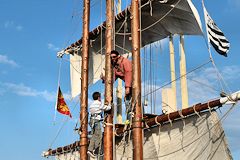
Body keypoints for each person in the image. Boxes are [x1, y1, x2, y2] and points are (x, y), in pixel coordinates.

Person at [101, 50, 133, 122]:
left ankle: (131, 120)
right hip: (128, 84)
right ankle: (129, 120)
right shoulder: (116, 66)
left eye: (114, 57)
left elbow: (129, 73)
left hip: (132, 84)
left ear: (118, 56)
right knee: (128, 102)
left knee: (130, 101)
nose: (112, 59)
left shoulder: (125, 62)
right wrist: (104, 80)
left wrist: (128, 87)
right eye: (111, 57)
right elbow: (113, 78)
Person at [88, 92, 111, 158]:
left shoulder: (92, 104)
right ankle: (95, 149)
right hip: (96, 122)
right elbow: (108, 108)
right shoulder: (99, 103)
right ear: (98, 97)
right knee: (99, 136)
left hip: (92, 121)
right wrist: (109, 102)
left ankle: (90, 149)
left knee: (94, 136)